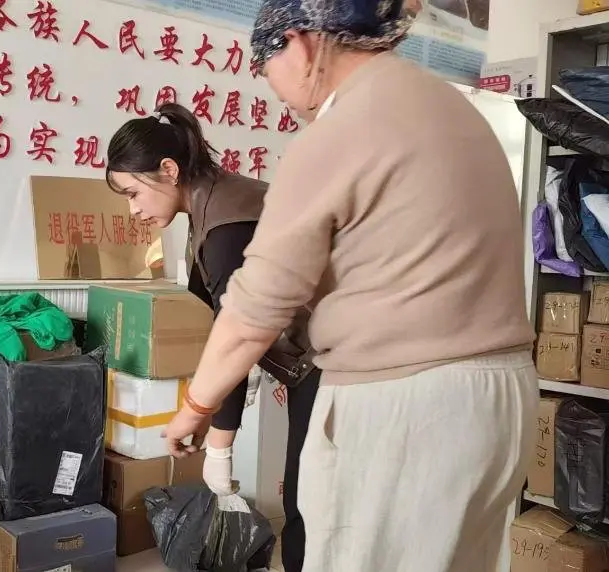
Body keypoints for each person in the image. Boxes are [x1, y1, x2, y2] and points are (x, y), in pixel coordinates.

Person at [161, 0, 539, 570]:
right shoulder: (451, 108)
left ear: (299, 44)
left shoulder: (339, 133)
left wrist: (196, 407)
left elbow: (254, 310)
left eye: (265, 69)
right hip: (501, 396)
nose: (275, 92)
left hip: (406, 407)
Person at [105, 102, 319, 571]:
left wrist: (218, 442)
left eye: (133, 193)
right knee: (306, 494)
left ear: (168, 170)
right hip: (310, 361)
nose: (133, 209)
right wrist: (206, 404)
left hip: (331, 363)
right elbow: (217, 324)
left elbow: (239, 334)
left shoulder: (226, 224)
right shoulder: (210, 203)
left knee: (310, 501)